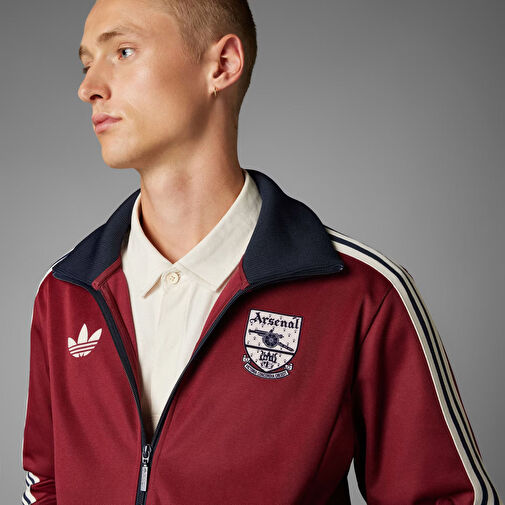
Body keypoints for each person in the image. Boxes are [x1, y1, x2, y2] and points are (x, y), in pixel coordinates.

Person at [21, 0, 502, 504]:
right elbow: (45, 485)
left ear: (222, 65)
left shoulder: (361, 293)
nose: (88, 87)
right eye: (86, 63)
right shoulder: (65, 293)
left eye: (123, 51)